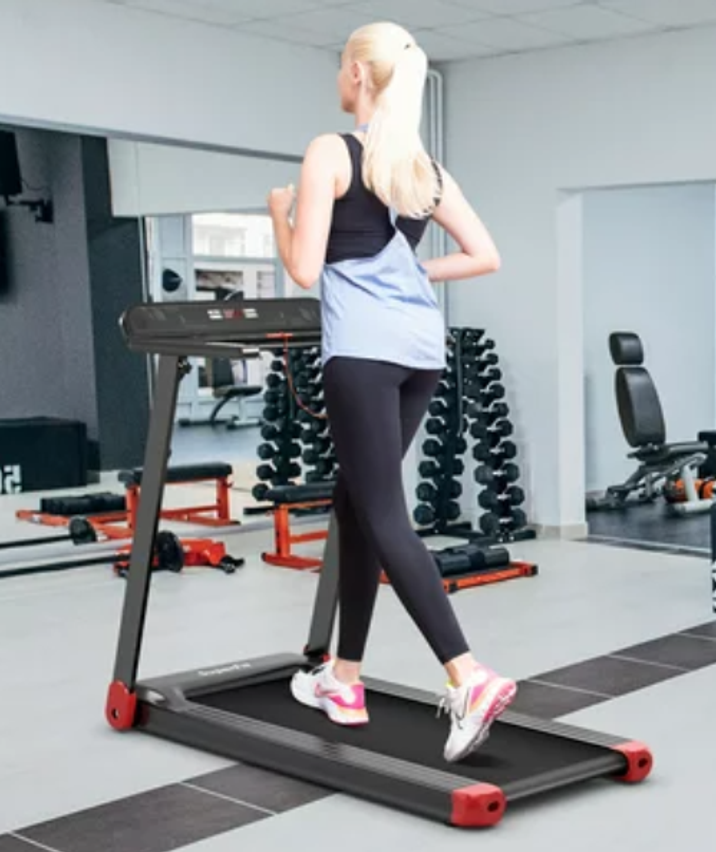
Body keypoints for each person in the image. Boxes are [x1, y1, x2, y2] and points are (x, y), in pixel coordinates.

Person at [266, 21, 512, 764]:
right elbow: (485, 257)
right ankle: (344, 677)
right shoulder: (421, 169)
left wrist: (278, 215)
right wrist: (409, 275)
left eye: (343, 66)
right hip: (420, 353)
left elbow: (305, 270)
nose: (338, 77)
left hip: (364, 355)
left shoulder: (329, 153)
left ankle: (467, 675)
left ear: (359, 78)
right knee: (356, 505)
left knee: (381, 512)